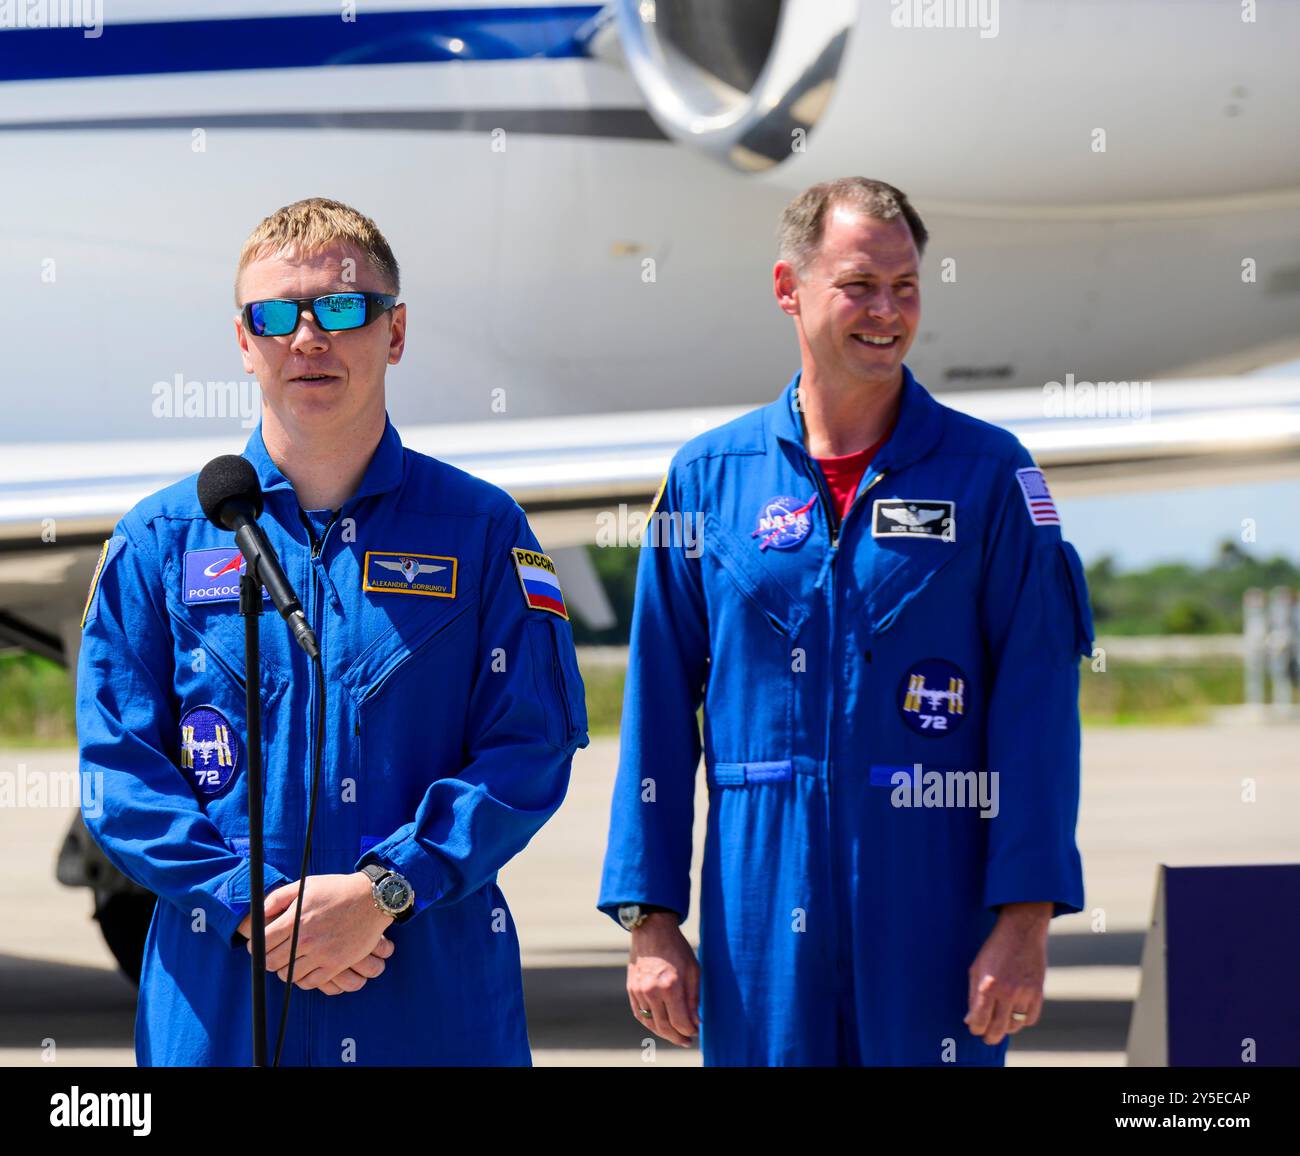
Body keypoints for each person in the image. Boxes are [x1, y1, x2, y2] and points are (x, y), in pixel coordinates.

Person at [77, 197, 588, 1066]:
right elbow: (119, 774)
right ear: (244, 342)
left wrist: (387, 888)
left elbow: (530, 747)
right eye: (274, 315)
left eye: (343, 308)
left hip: (425, 993)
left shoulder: (483, 529)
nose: (307, 337)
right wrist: (254, 911)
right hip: (221, 997)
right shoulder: (161, 540)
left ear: (394, 333)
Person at [598, 177, 1094, 1066]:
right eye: (860, 284)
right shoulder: (709, 479)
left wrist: (1026, 919)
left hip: (935, 912)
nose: (887, 312)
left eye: (905, 288)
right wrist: (650, 919)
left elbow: (1038, 719)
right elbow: (658, 718)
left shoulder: (990, 476)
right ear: (789, 288)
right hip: (757, 909)